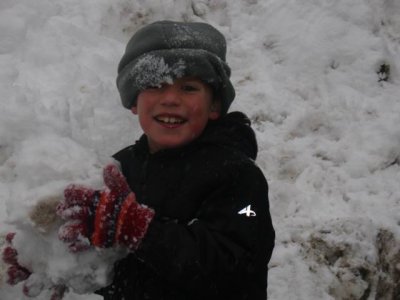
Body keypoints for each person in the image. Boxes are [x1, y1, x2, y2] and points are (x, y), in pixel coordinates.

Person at [5, 20, 275, 300]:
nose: (170, 98)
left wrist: (140, 229)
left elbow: (237, 266)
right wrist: (52, 261)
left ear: (215, 105)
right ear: (134, 101)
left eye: (189, 88)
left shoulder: (239, 180)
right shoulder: (122, 169)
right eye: (155, 85)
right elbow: (129, 273)